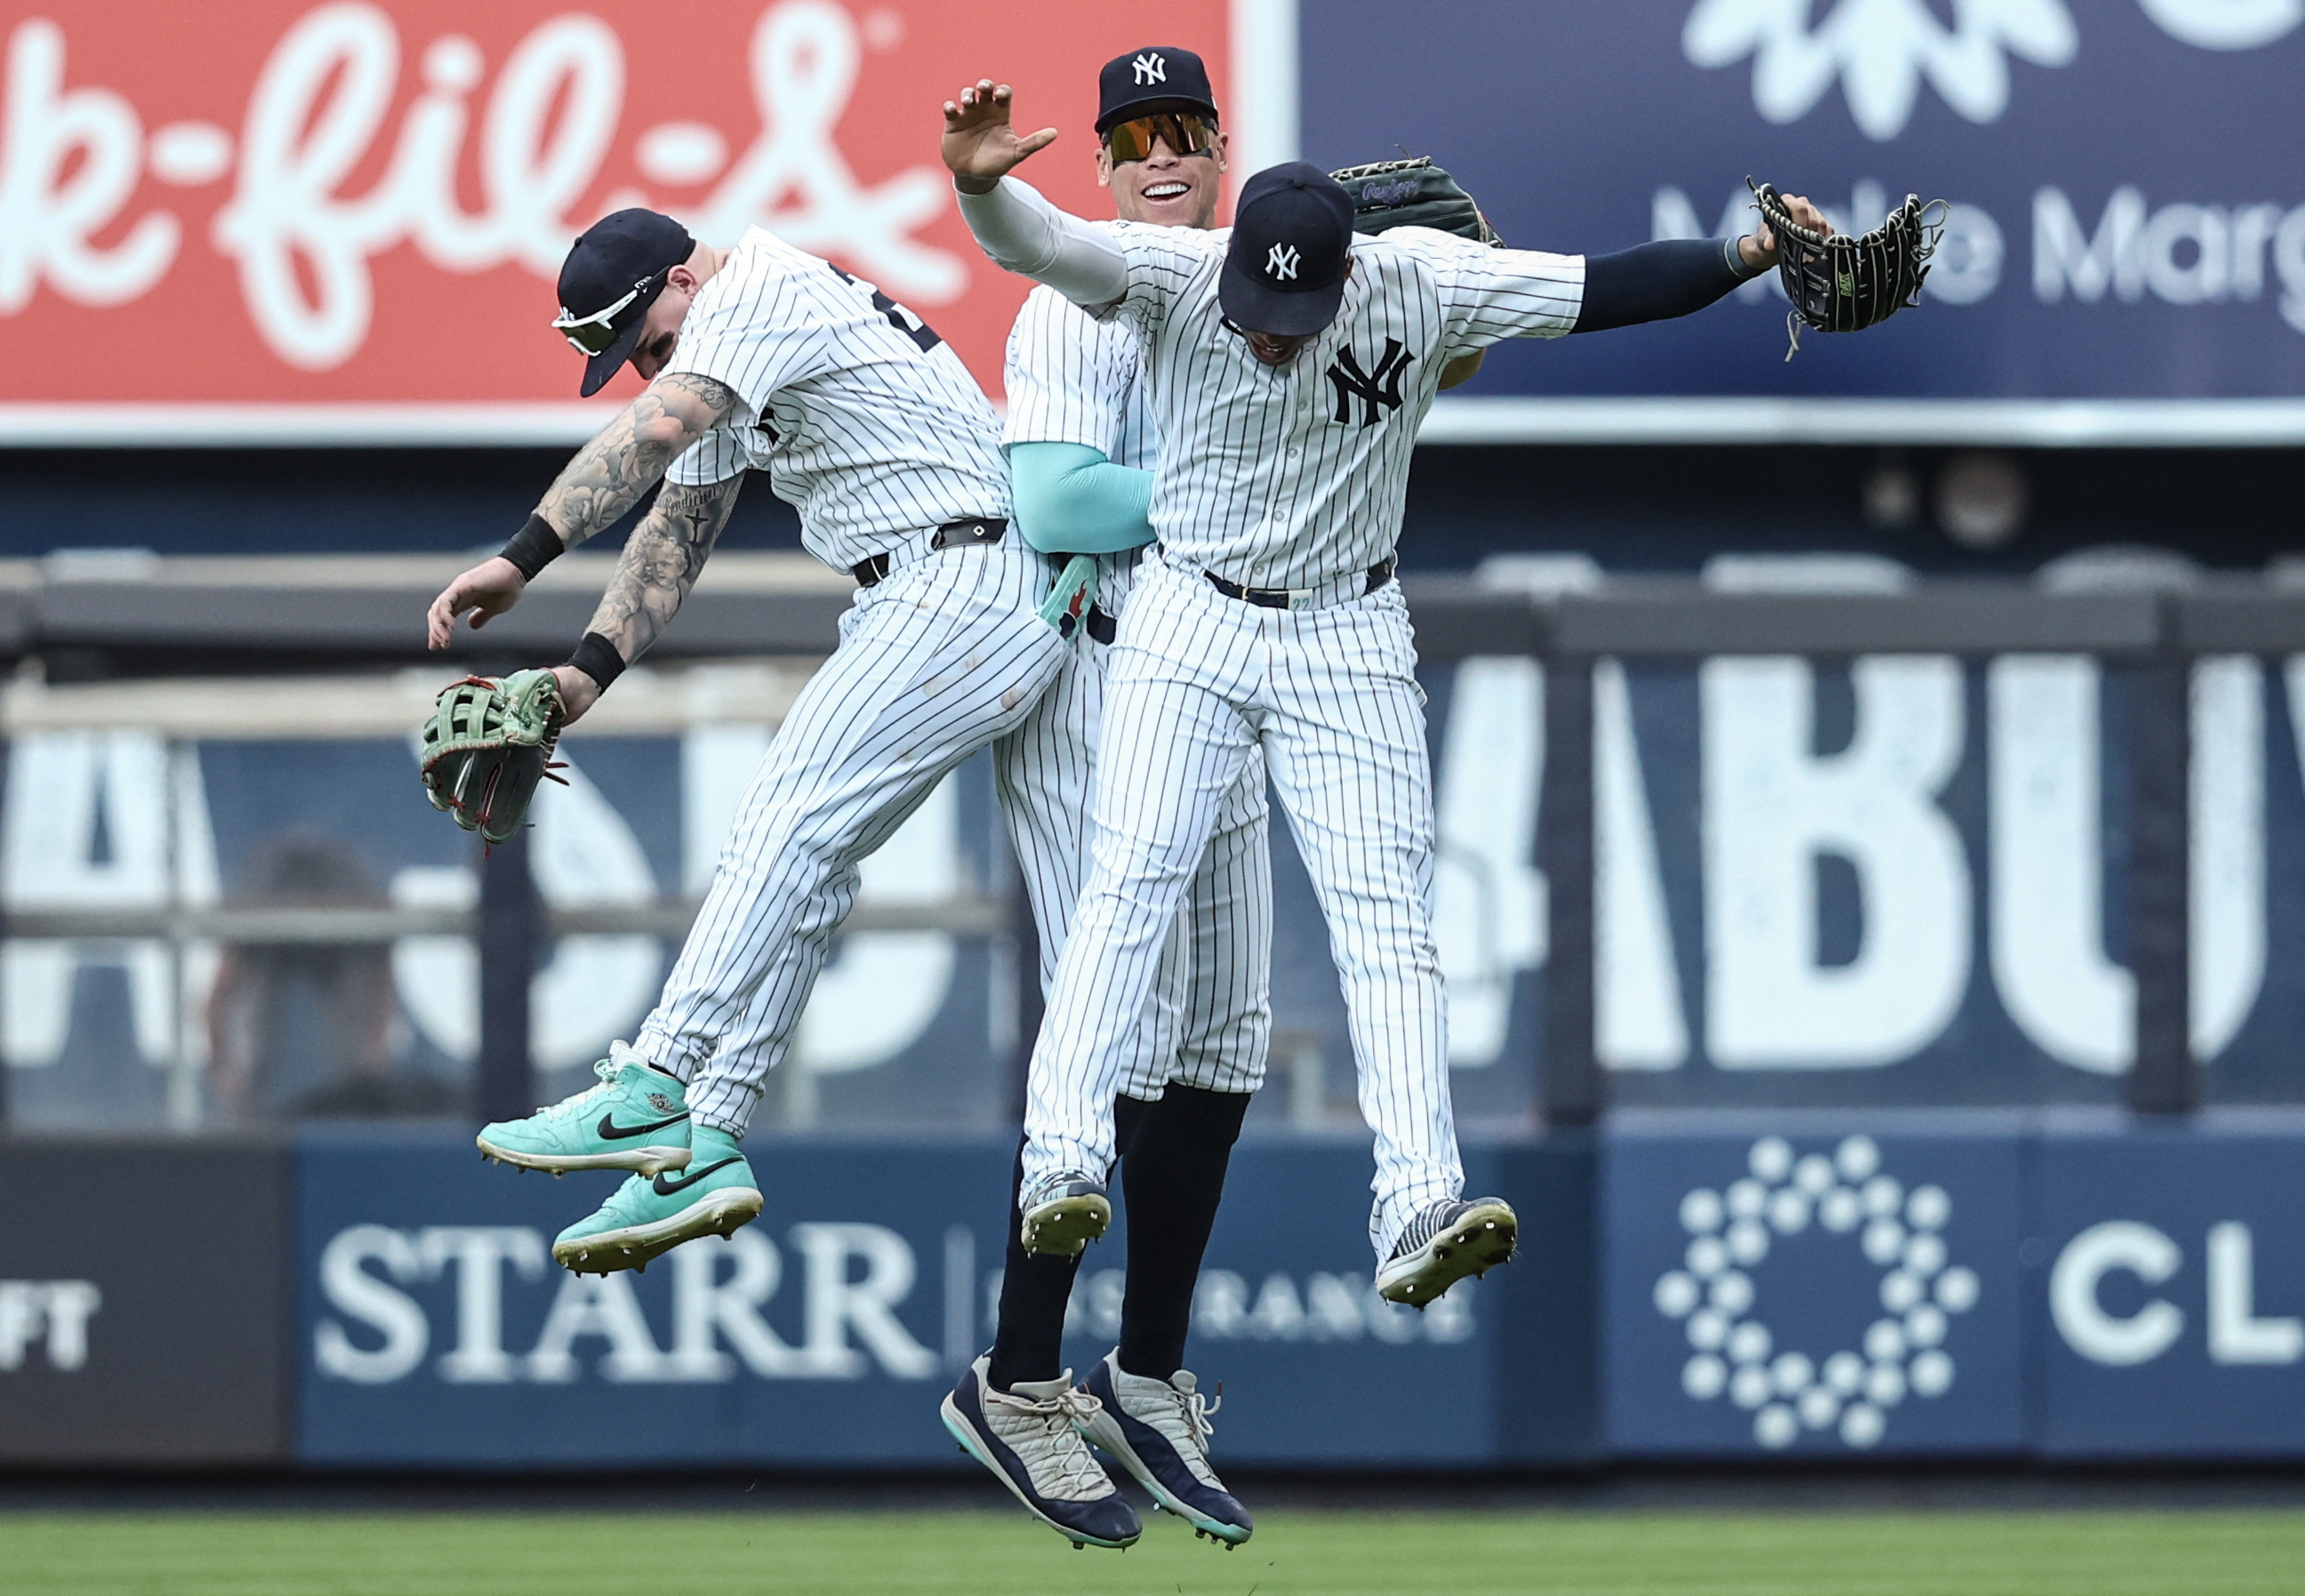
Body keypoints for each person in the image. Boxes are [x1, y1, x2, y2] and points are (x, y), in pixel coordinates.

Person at [937, 77, 1829, 1309]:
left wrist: (1750, 254)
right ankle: (1061, 1163)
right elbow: (1039, 239)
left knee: (1387, 925)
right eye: (1254, 301)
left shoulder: (1417, 276)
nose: (1267, 327)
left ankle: (1418, 1199)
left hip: (1347, 629)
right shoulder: (1175, 277)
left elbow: (1610, 287)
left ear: (1348, 273)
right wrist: (981, 182)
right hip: (1190, 616)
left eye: (1291, 310)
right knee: (1126, 884)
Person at [428, 206, 1068, 1272]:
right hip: (944, 587)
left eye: (650, 344)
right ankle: (707, 1141)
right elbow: (679, 527)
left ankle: (658, 1079)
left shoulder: (755, 293)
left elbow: (655, 435)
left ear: (685, 277)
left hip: (962, 578)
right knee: (806, 864)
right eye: (630, 361)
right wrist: (585, 671)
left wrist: (522, 556)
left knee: (783, 821)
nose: (648, 373)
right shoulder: (720, 341)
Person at [939, 46, 1269, 1552]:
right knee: (1110, 1022)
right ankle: (1017, 1381)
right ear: (1098, 168)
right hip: (1095, 673)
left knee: (1222, 1041)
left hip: (1235, 676)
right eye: (1130, 133)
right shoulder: (1075, 296)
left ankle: (1144, 1372)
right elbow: (1063, 502)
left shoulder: (1277, 293)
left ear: (1218, 146)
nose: (1155, 153)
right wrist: (1239, 476)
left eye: (1179, 129)